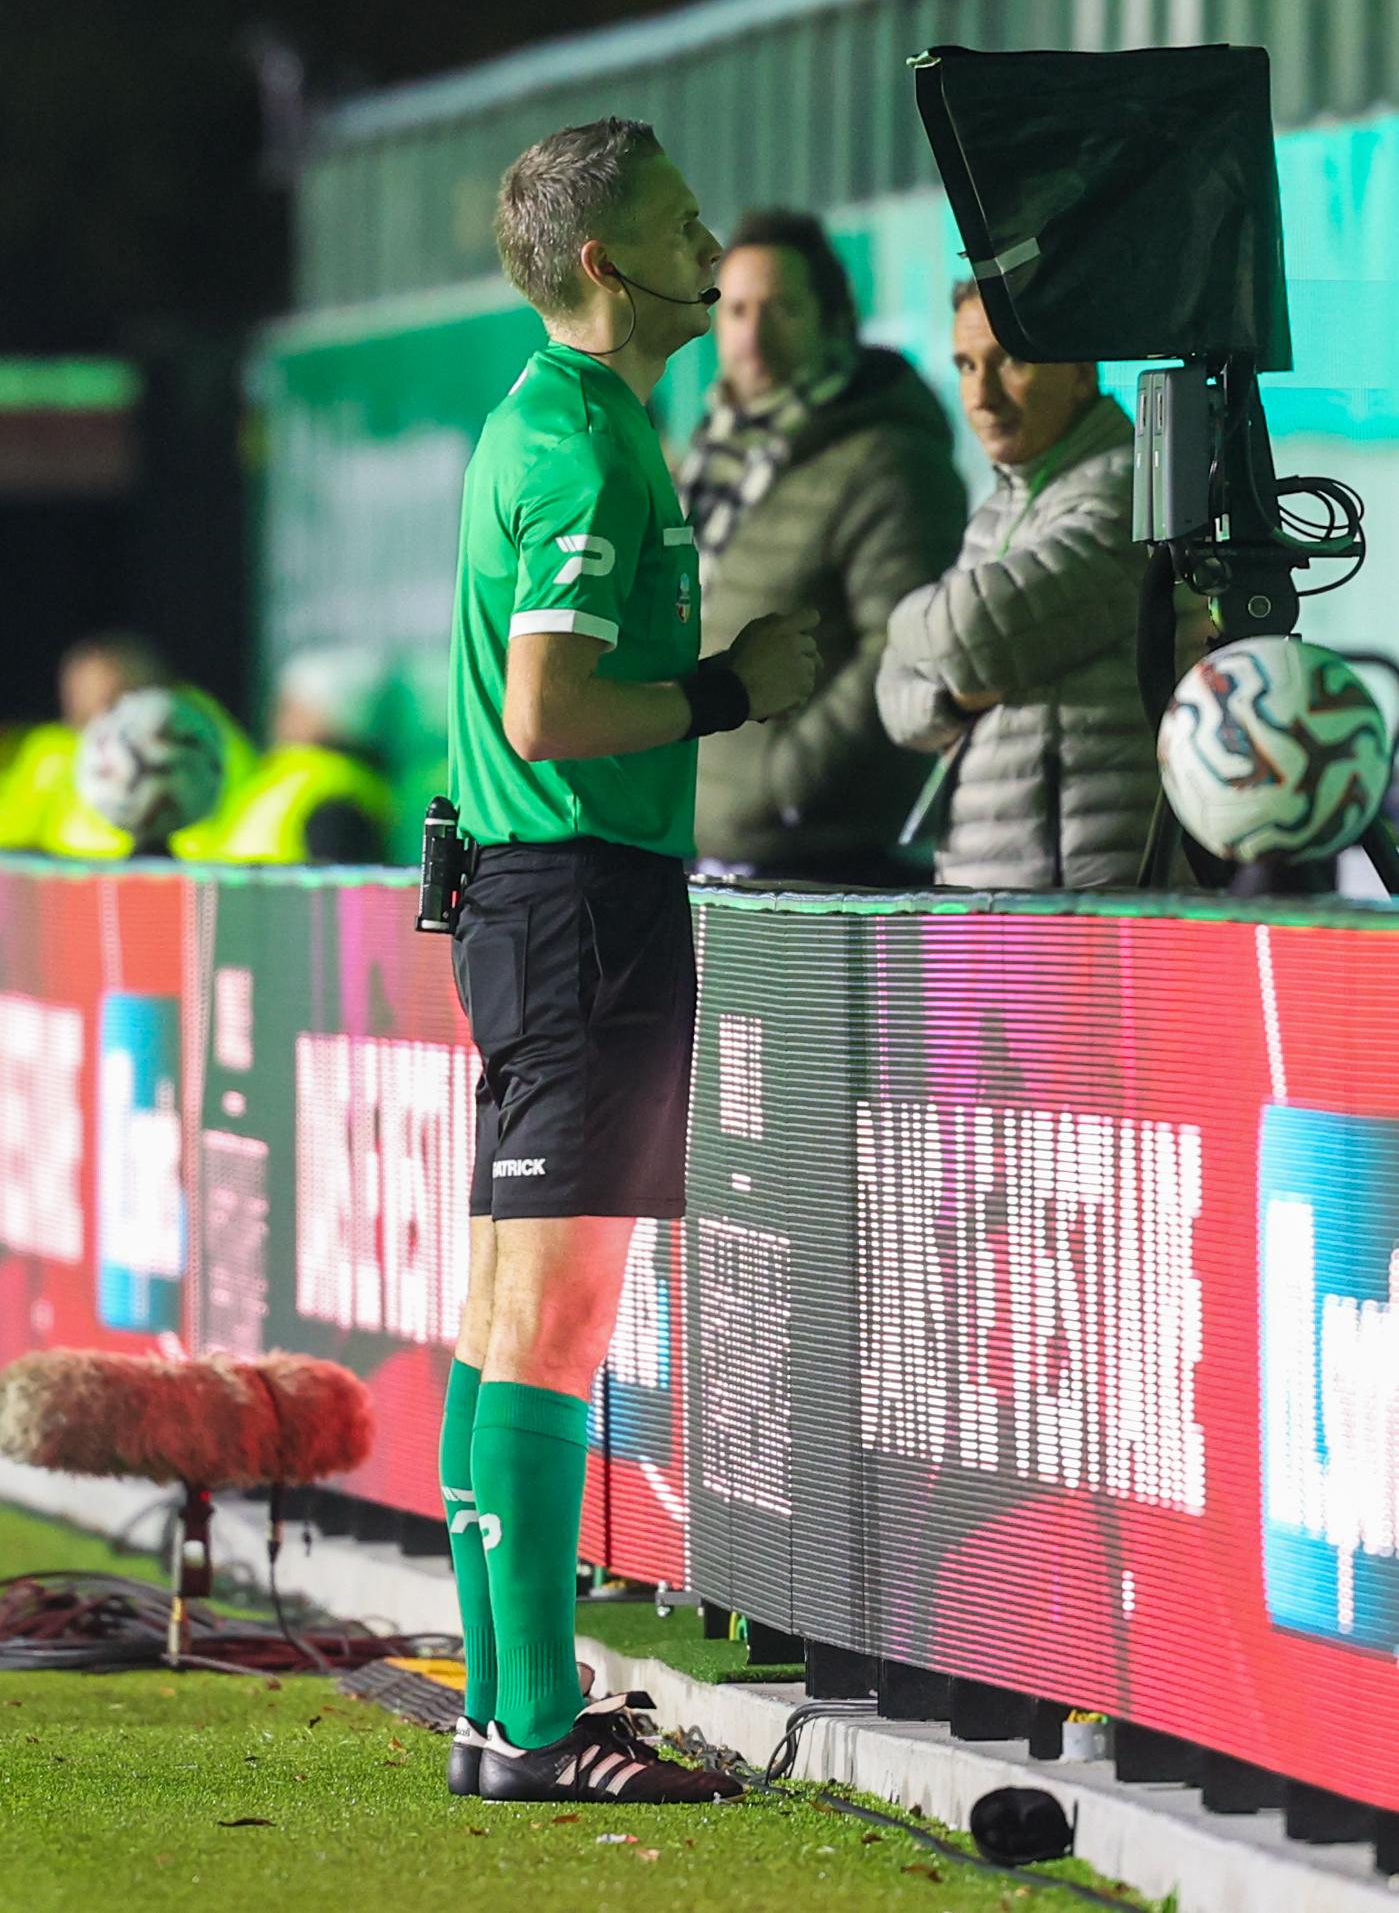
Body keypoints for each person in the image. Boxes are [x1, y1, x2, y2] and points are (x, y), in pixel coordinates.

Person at [441, 116, 816, 1805]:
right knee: (551, 1319)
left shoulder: (569, 419)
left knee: (510, 1316)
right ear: (608, 261)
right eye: (680, 224)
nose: (711, 243)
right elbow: (547, 709)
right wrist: (733, 690)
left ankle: (502, 1712)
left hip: (545, 903)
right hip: (574, 902)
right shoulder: (582, 446)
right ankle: (526, 1728)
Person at [684, 209, 966, 884]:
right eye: (736, 310)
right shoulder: (712, 457)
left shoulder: (888, 457)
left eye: (781, 310)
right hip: (711, 849)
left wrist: (782, 784)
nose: (753, 335)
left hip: (828, 859)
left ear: (834, 321)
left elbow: (900, 644)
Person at [877, 281, 1180, 889]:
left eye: (1010, 360)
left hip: (1087, 893)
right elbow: (893, 699)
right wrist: (951, 698)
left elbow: (972, 633)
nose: (982, 397)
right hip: (994, 889)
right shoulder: (1000, 509)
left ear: (1080, 372)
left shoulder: (1130, 492)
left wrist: (900, 625)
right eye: (966, 365)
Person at [0, 632, 254, 859]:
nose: (96, 718)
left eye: (108, 701)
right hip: (75, 894)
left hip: (186, 886)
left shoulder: (196, 737)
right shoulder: (52, 750)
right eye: (77, 700)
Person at [208, 646, 393, 864]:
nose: (277, 716)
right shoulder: (291, 775)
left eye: (292, 705)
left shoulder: (334, 792)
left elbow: (335, 887)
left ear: (328, 715)